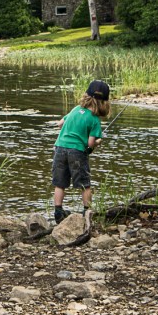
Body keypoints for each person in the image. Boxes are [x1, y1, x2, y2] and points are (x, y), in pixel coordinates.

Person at [51, 79, 111, 224]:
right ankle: (87, 211)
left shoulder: (75, 109)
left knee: (60, 183)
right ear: (103, 103)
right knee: (84, 183)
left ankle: (58, 212)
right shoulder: (95, 120)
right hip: (77, 152)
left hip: (59, 148)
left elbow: (60, 124)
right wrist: (98, 141)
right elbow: (90, 143)